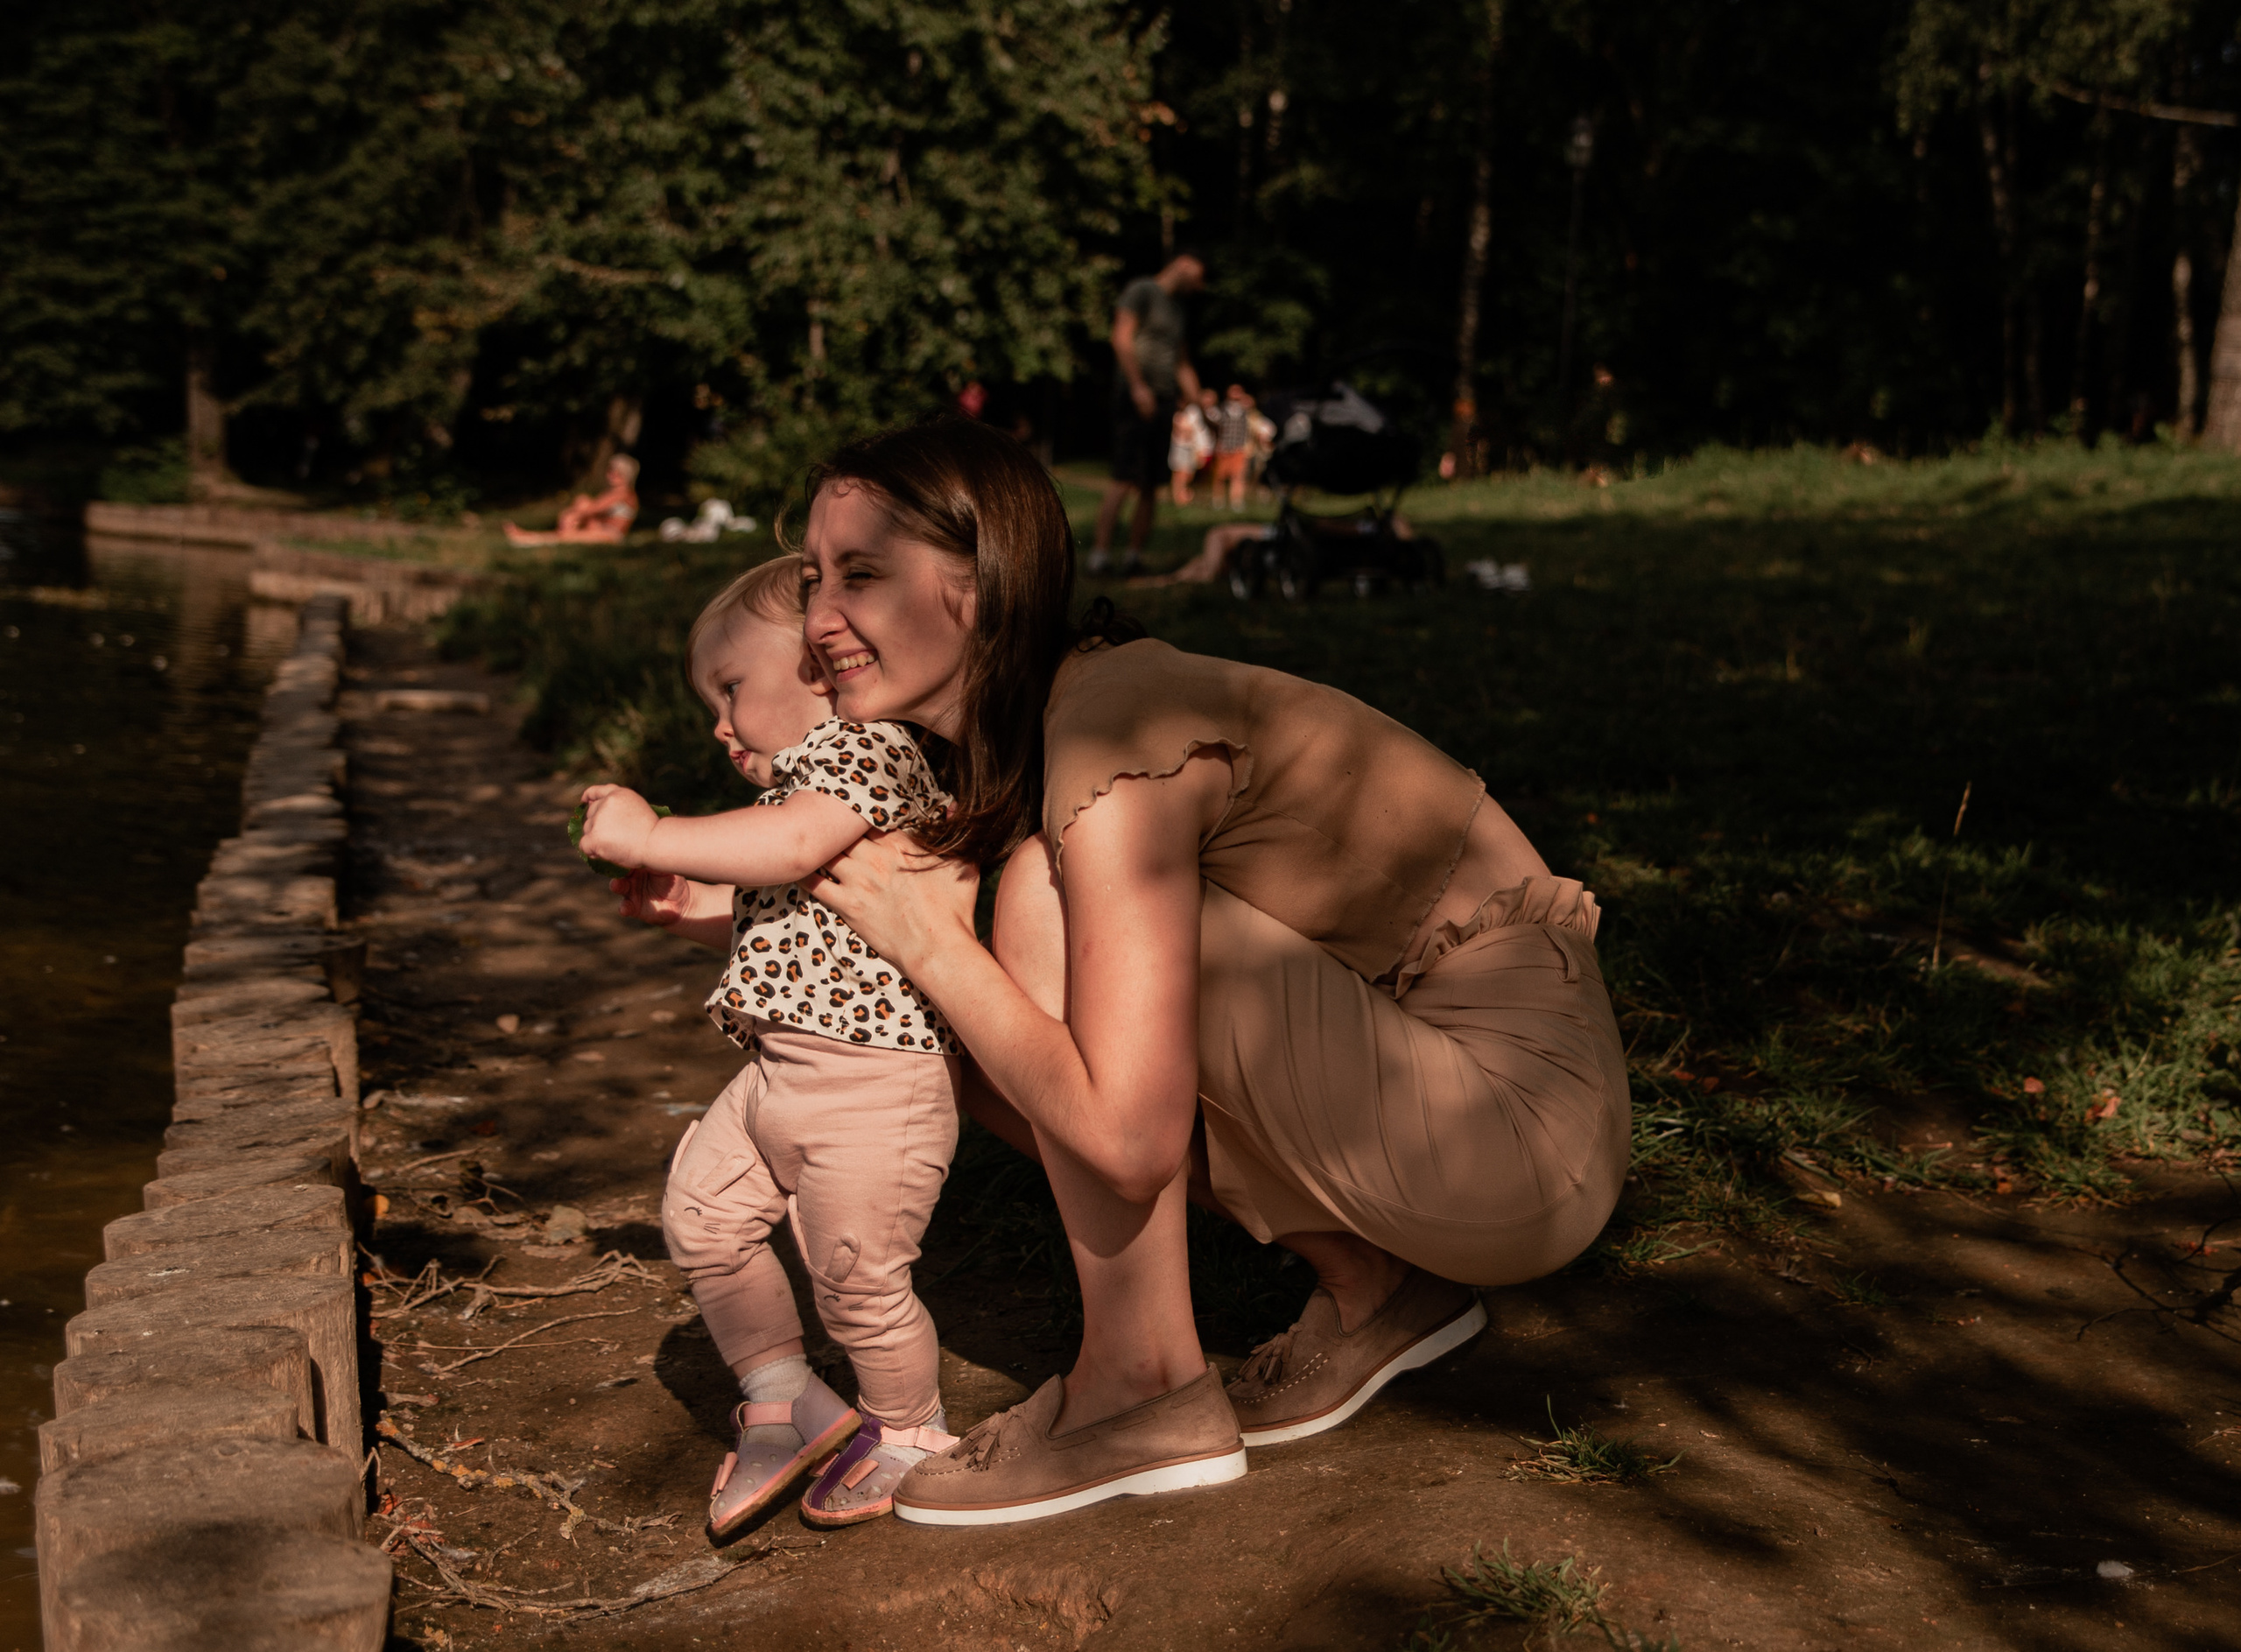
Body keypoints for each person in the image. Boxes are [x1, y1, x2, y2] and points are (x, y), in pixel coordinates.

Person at [793, 418, 1631, 1527]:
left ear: (979, 582)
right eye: (810, 579)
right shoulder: (1059, 720)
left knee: (1036, 906)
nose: (816, 620)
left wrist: (934, 940)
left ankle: (1139, 1387)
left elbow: (1131, 1136)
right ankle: (1379, 1285)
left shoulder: (1110, 731)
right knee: (974, 1038)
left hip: (1515, 1132)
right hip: (1453, 1115)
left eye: (860, 574)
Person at [577, 556, 964, 1535]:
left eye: (730, 690)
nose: (718, 723)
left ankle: (911, 1432)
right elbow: (783, 906)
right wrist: (686, 911)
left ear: (818, 669)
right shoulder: (797, 795)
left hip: (874, 1085)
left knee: (857, 1281)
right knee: (702, 1213)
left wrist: (655, 832)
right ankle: (787, 1397)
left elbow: (789, 852)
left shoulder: (869, 754)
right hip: (783, 1072)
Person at [1091, 250, 1206, 576]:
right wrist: (1138, 386)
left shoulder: (1179, 309)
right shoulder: (1141, 291)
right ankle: (1099, 554)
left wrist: (1199, 403)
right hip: (1134, 395)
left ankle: (1133, 556)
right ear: (1185, 262)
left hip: (1165, 398)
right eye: (1200, 274)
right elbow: (1121, 338)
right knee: (1124, 476)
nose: (1200, 285)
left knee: (1151, 482)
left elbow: (1181, 362)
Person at [503, 454, 640, 545]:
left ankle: (528, 538)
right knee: (581, 503)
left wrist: (570, 515)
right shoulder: (612, 492)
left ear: (626, 475)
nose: (612, 475)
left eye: (617, 472)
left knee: (567, 534)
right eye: (610, 470)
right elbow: (593, 511)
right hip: (600, 529)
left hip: (612, 535)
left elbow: (593, 509)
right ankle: (527, 536)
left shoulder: (623, 494)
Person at [1211, 385, 1256, 510]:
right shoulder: (1221, 409)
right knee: (1219, 476)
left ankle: (1236, 501)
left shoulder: (1245, 410)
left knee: (1238, 476)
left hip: (1239, 447)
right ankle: (1217, 500)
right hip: (1224, 447)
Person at [1167, 394, 1211, 507]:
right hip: (1180, 446)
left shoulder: (1194, 411)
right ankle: (1178, 497)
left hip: (1191, 447)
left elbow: (1196, 430)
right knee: (1179, 473)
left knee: (1188, 473)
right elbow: (1181, 429)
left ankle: (1183, 493)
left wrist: (1202, 448)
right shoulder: (1176, 413)